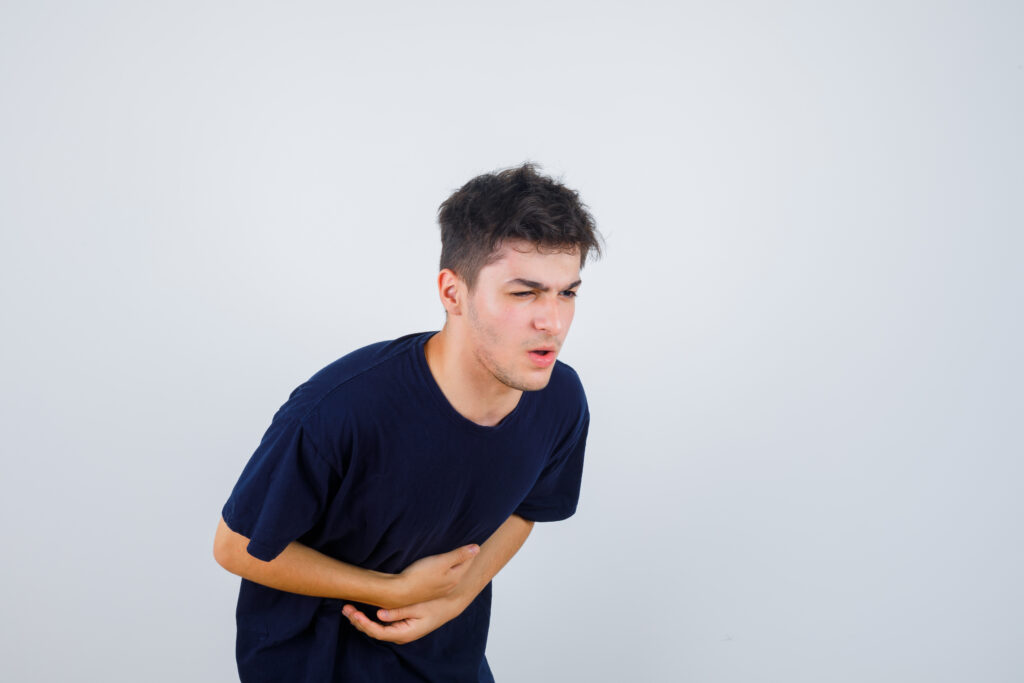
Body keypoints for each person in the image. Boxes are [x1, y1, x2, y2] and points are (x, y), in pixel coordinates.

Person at [213, 163, 601, 682]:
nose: (551, 321)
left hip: (447, 657)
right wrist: (391, 590)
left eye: (567, 293)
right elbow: (235, 545)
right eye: (523, 293)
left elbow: (528, 508)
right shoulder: (343, 409)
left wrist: (459, 593)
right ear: (452, 293)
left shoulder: (560, 399)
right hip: (316, 663)